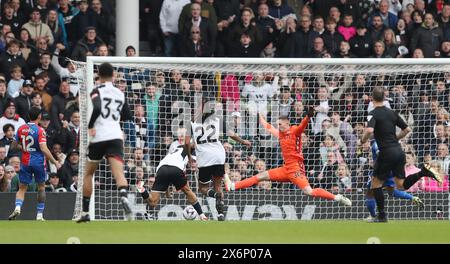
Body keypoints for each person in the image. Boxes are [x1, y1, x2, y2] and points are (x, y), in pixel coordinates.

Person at [224, 110, 352, 207]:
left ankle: (337, 197)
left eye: (280, 124)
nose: (278, 126)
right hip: (286, 169)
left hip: (296, 169)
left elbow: (302, 126)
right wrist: (259, 116)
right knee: (260, 176)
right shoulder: (280, 134)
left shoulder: (295, 131)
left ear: (287, 123)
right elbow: (268, 127)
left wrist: (308, 117)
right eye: (277, 124)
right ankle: (233, 186)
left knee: (309, 191)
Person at [360, 86, 442, 222]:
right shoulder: (393, 113)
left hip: (385, 152)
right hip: (398, 151)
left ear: (372, 99)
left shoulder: (373, 113)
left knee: (375, 184)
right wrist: (395, 139)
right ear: (384, 98)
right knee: (401, 185)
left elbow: (369, 130)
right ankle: (423, 172)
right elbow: (407, 129)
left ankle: (381, 216)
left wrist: (362, 140)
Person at [76, 63, 133, 223]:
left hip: (99, 136)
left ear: (99, 76)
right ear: (113, 76)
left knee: (88, 173)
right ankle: (123, 196)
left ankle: (86, 212)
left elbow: (98, 107)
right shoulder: (120, 93)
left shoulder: (96, 91)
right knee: (119, 173)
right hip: (115, 136)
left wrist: (90, 125)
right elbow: (128, 115)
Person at [8, 107, 62, 221]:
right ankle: (39, 215)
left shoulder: (21, 129)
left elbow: (13, 145)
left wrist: (23, 146)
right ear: (39, 117)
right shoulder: (40, 130)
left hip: (25, 162)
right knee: (41, 187)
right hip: (38, 162)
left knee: (22, 188)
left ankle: (18, 207)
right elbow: (44, 149)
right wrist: (55, 161)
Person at [136, 145, 207, 221]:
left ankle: (141, 188)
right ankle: (202, 215)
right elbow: (190, 144)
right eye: (193, 160)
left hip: (161, 169)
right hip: (176, 168)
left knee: (152, 202)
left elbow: (167, 179)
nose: (193, 162)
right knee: (187, 191)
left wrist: (167, 194)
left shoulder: (173, 152)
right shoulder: (186, 149)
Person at [365, 140, 425, 222]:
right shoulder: (393, 142)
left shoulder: (377, 143)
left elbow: (382, 156)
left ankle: (374, 216)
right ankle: (412, 197)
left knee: (370, 194)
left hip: (381, 170)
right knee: (391, 191)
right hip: (390, 170)